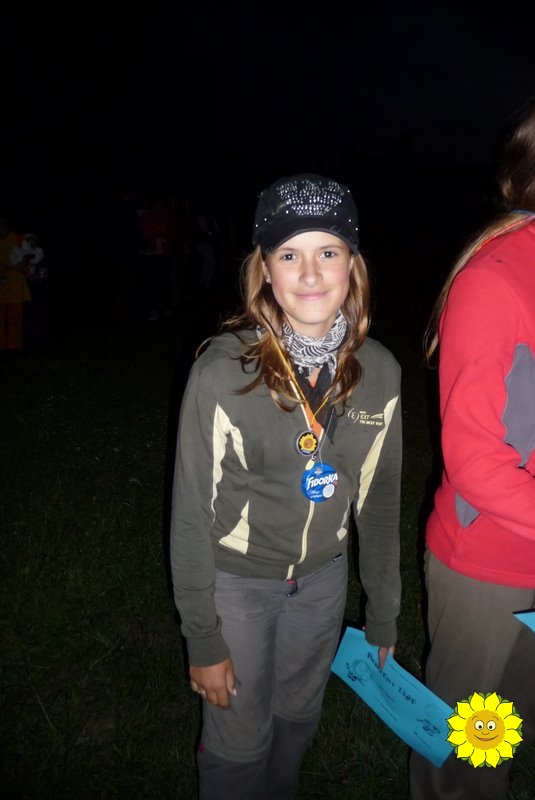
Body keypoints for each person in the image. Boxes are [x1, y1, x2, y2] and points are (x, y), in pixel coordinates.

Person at [170, 173, 403, 799]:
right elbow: (190, 514)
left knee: (298, 719)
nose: (310, 273)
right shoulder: (224, 373)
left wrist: (383, 611)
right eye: (289, 255)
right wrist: (203, 636)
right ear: (265, 272)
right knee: (237, 740)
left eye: (328, 251)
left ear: (352, 265)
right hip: (238, 583)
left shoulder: (380, 373)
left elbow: (379, 504)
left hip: (324, 582)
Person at [409, 100, 535, 800]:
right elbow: (475, 461)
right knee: (464, 763)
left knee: (511, 730)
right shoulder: (495, 278)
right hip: (488, 565)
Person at [0, 216, 31, 351]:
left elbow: (31, 253)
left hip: (15, 288)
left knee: (15, 320)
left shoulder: (18, 239)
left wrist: (23, 263)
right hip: (1, 287)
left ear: (6, 227)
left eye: (2, 226)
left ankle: (14, 347)